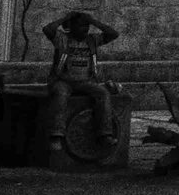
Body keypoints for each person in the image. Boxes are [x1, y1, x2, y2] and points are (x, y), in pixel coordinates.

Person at [42, 9, 121, 151]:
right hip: (63, 80)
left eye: (86, 27)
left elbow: (113, 34)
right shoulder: (62, 39)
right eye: (80, 26)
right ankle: (56, 135)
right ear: (71, 27)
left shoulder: (92, 40)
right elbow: (47, 30)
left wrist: (94, 21)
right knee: (60, 95)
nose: (84, 30)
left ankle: (104, 134)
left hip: (86, 81)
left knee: (103, 94)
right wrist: (65, 18)